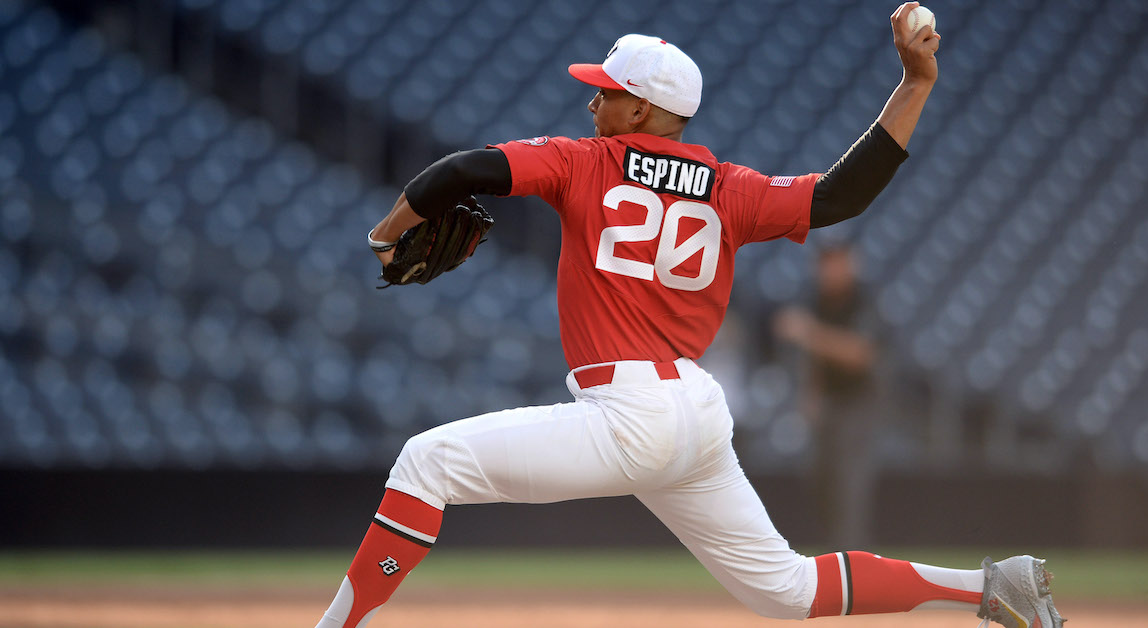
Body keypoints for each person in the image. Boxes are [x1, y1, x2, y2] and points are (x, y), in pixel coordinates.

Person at [316, 4, 1063, 627]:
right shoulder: (729, 186)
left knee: (426, 461)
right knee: (788, 590)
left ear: (640, 108)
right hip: (698, 417)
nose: (592, 102)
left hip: (628, 413)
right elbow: (842, 196)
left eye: (606, 92)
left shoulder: (584, 161)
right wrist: (916, 81)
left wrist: (386, 235)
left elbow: (460, 170)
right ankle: (994, 587)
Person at [775, 241, 882, 550]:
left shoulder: (862, 300)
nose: (830, 270)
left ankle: (853, 562)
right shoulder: (819, 300)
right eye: (825, 263)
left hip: (860, 403)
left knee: (848, 486)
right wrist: (811, 396)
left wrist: (809, 332)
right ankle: (835, 558)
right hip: (830, 404)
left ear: (851, 263)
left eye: (836, 262)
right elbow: (815, 361)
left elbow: (859, 353)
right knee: (822, 483)